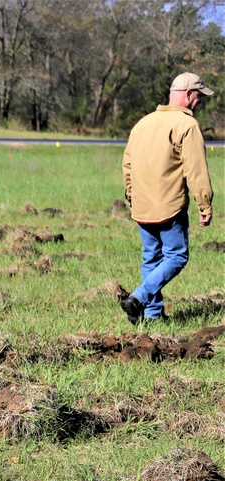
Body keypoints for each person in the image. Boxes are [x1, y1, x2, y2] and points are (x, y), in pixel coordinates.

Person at [120, 72, 214, 324]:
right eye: (198, 97)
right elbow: (195, 169)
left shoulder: (142, 123)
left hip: (141, 205)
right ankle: (138, 297)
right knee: (176, 256)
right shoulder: (187, 125)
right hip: (169, 206)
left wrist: (131, 196)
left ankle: (152, 316)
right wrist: (204, 203)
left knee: (151, 257)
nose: (198, 103)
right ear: (187, 95)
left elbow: (127, 164)